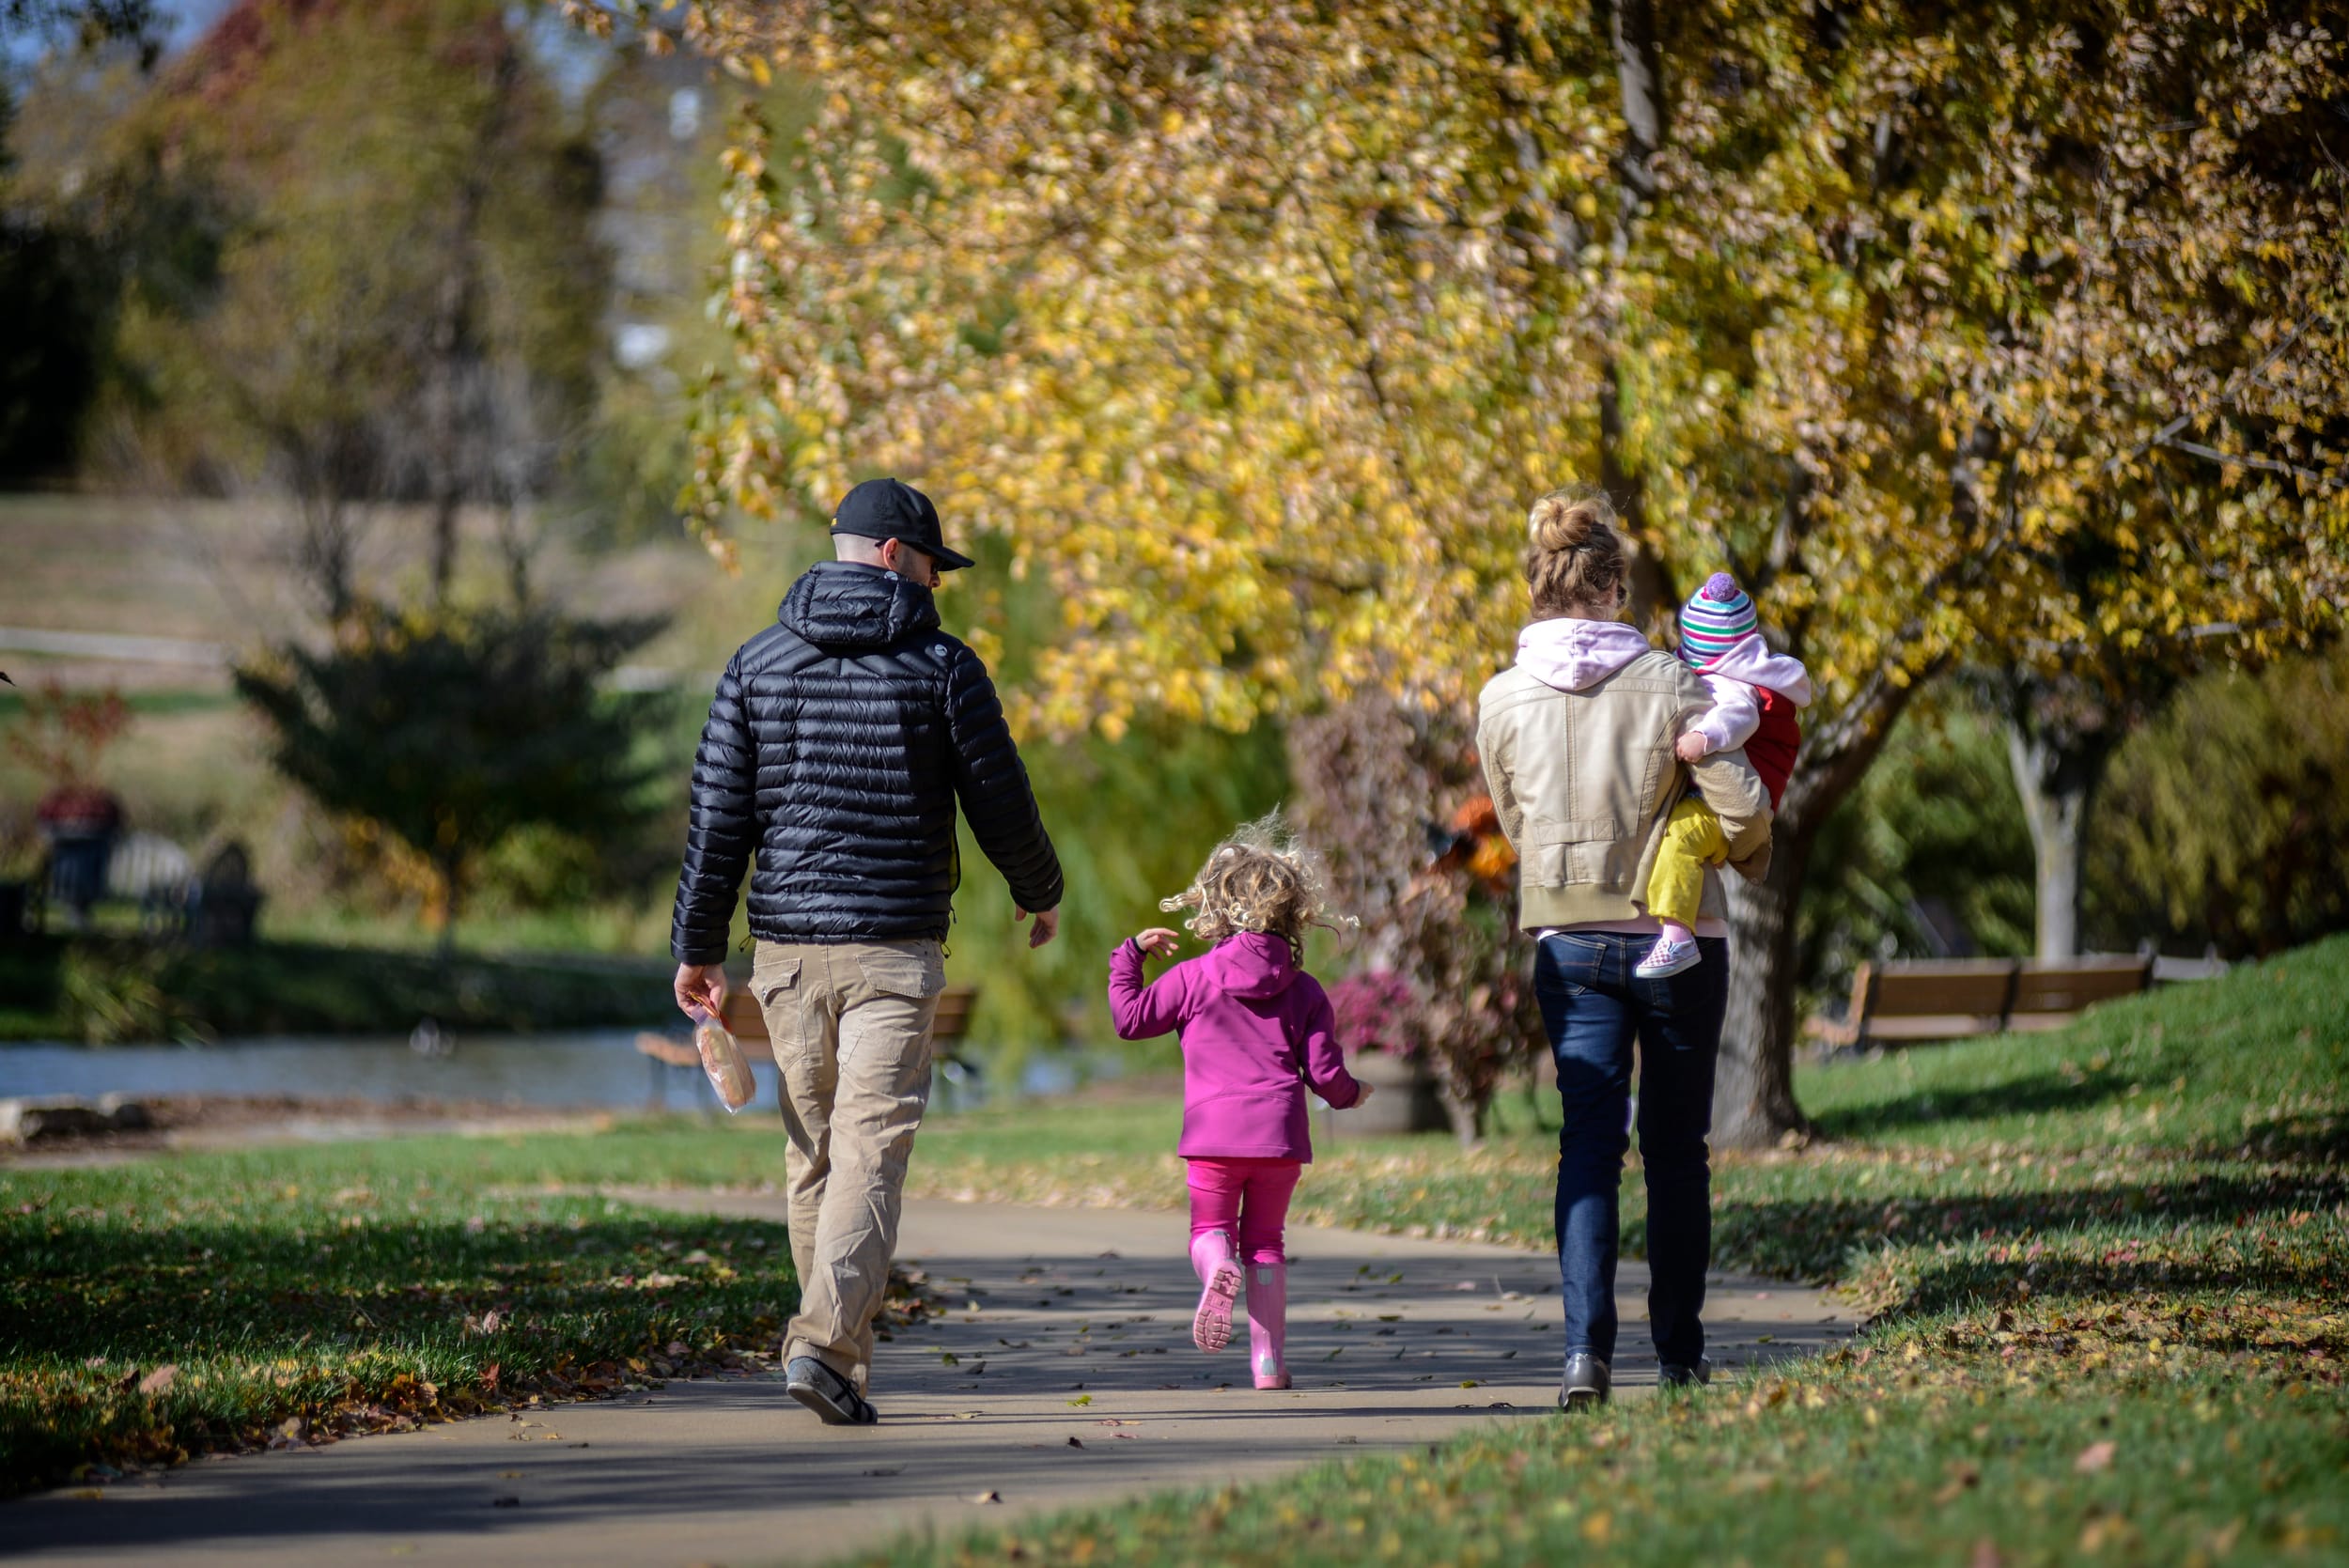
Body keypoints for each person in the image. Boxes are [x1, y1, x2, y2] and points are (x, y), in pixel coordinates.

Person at [670, 476, 1064, 1428]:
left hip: (787, 954)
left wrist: (697, 944)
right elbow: (998, 795)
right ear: (894, 555)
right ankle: (824, 1347)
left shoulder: (755, 663)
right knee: (865, 1151)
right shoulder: (943, 665)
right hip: (894, 949)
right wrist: (1037, 890)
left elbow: (717, 815)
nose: (939, 583)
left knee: (815, 1155)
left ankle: (827, 1351)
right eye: (934, 564)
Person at [1475, 486, 1772, 1411]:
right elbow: (1742, 801)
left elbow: (1516, 817)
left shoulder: (1501, 698)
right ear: (1613, 589)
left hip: (1569, 943)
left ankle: (1581, 1358)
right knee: (1676, 1152)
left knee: (1587, 1150)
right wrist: (1749, 848)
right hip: (1679, 940)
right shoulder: (1675, 682)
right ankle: (1679, 1356)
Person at [1106, 816, 1369, 1391]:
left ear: (1218, 907)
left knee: (1211, 1231)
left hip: (1213, 1139)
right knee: (1267, 1247)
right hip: (1278, 1140)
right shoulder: (1305, 989)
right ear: (1291, 911)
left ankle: (1217, 1265)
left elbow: (1129, 1020)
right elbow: (1324, 1073)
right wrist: (1352, 1094)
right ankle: (1269, 1366)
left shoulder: (1192, 977)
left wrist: (1129, 957)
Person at [1635, 572, 1812, 979]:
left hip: (1730, 802)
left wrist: (1704, 736)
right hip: (1735, 798)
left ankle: (1676, 937)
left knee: (1681, 837)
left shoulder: (1731, 682)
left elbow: (1741, 715)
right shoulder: (1739, 668)